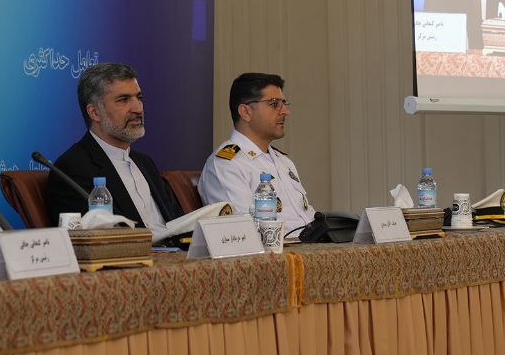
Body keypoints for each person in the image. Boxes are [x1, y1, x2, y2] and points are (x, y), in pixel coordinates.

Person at [44, 63, 183, 232]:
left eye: (139, 98)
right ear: (95, 112)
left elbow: (179, 222)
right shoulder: (73, 168)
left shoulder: (145, 163)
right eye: (123, 100)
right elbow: (93, 239)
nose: (138, 108)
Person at [198, 73, 316, 235]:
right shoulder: (226, 164)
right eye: (274, 104)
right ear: (245, 112)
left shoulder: (284, 162)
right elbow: (245, 232)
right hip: (276, 249)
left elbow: (307, 217)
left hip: (309, 245)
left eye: (284, 103)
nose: (285, 111)